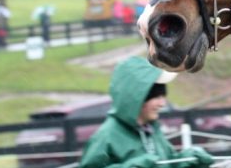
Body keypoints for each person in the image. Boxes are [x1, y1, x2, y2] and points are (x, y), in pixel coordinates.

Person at [79, 57, 214, 168]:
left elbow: (167, 162)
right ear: (136, 97)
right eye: (156, 96)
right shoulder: (106, 137)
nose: (162, 103)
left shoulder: (152, 131)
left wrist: (187, 160)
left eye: (163, 96)